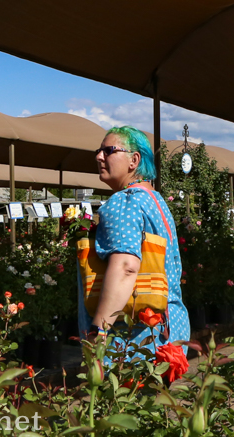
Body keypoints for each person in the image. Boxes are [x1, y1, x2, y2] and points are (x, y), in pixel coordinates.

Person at [77, 126, 189, 357]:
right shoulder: (154, 200)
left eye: (108, 151)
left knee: (119, 393)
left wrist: (98, 332)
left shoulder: (123, 202)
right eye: (99, 151)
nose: (99, 156)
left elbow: (126, 267)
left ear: (134, 160)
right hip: (169, 331)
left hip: (132, 340)